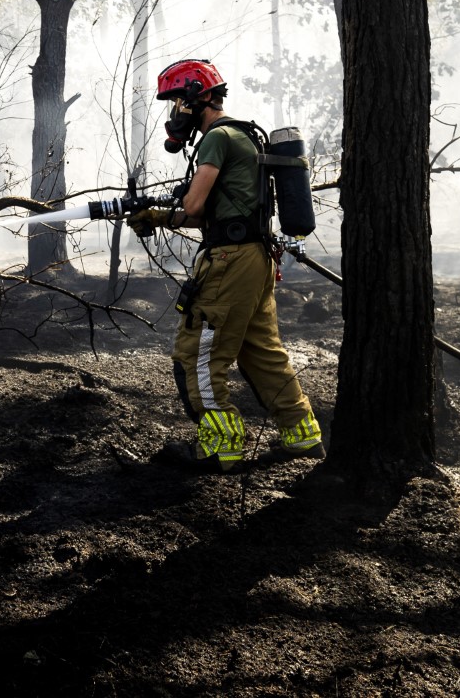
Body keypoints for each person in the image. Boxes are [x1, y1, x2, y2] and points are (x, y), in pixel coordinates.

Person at [128, 58, 324, 473]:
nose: (174, 112)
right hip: (255, 259)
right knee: (262, 353)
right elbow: (207, 214)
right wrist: (159, 216)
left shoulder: (216, 138)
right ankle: (302, 434)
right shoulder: (244, 134)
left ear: (197, 98)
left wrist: (168, 208)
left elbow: (195, 205)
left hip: (229, 262)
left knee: (196, 356)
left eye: (177, 101)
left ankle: (222, 445)